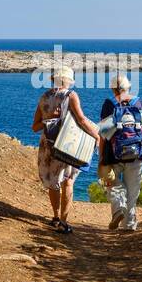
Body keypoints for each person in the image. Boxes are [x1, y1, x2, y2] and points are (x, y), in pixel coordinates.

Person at [32, 66, 100, 234]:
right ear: (67, 80)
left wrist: (51, 121)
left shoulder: (44, 97)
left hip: (48, 144)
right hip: (67, 144)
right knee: (67, 181)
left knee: (54, 182)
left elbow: (35, 127)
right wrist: (96, 136)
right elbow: (82, 120)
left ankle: (55, 217)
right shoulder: (71, 95)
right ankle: (63, 220)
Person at [98, 74, 142, 231]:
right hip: (137, 153)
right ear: (128, 87)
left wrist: (101, 156)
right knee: (133, 191)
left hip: (113, 154)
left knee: (112, 183)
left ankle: (118, 209)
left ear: (112, 88)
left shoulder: (109, 104)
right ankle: (129, 225)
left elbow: (103, 134)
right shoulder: (139, 103)